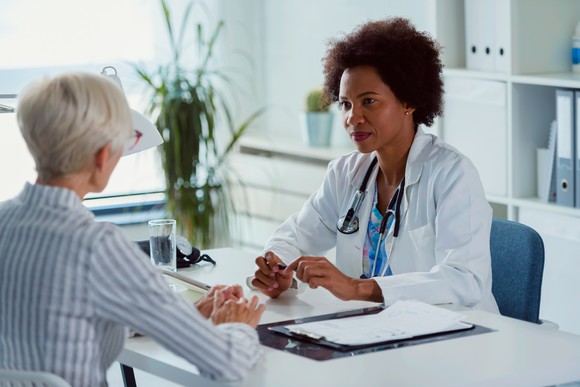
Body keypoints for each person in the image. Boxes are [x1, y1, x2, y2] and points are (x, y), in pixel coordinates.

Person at [0, 72, 265, 386]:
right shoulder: (97, 245)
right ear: (102, 156)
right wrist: (239, 326)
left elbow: (57, 323)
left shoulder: (5, 219)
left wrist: (184, 317)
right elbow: (225, 363)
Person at [251, 17, 499, 313]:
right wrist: (278, 269)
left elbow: (465, 280)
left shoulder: (452, 174)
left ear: (408, 101)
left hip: (456, 336)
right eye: (345, 104)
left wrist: (357, 287)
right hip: (376, 332)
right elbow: (294, 235)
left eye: (368, 101)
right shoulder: (346, 173)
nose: (353, 118)